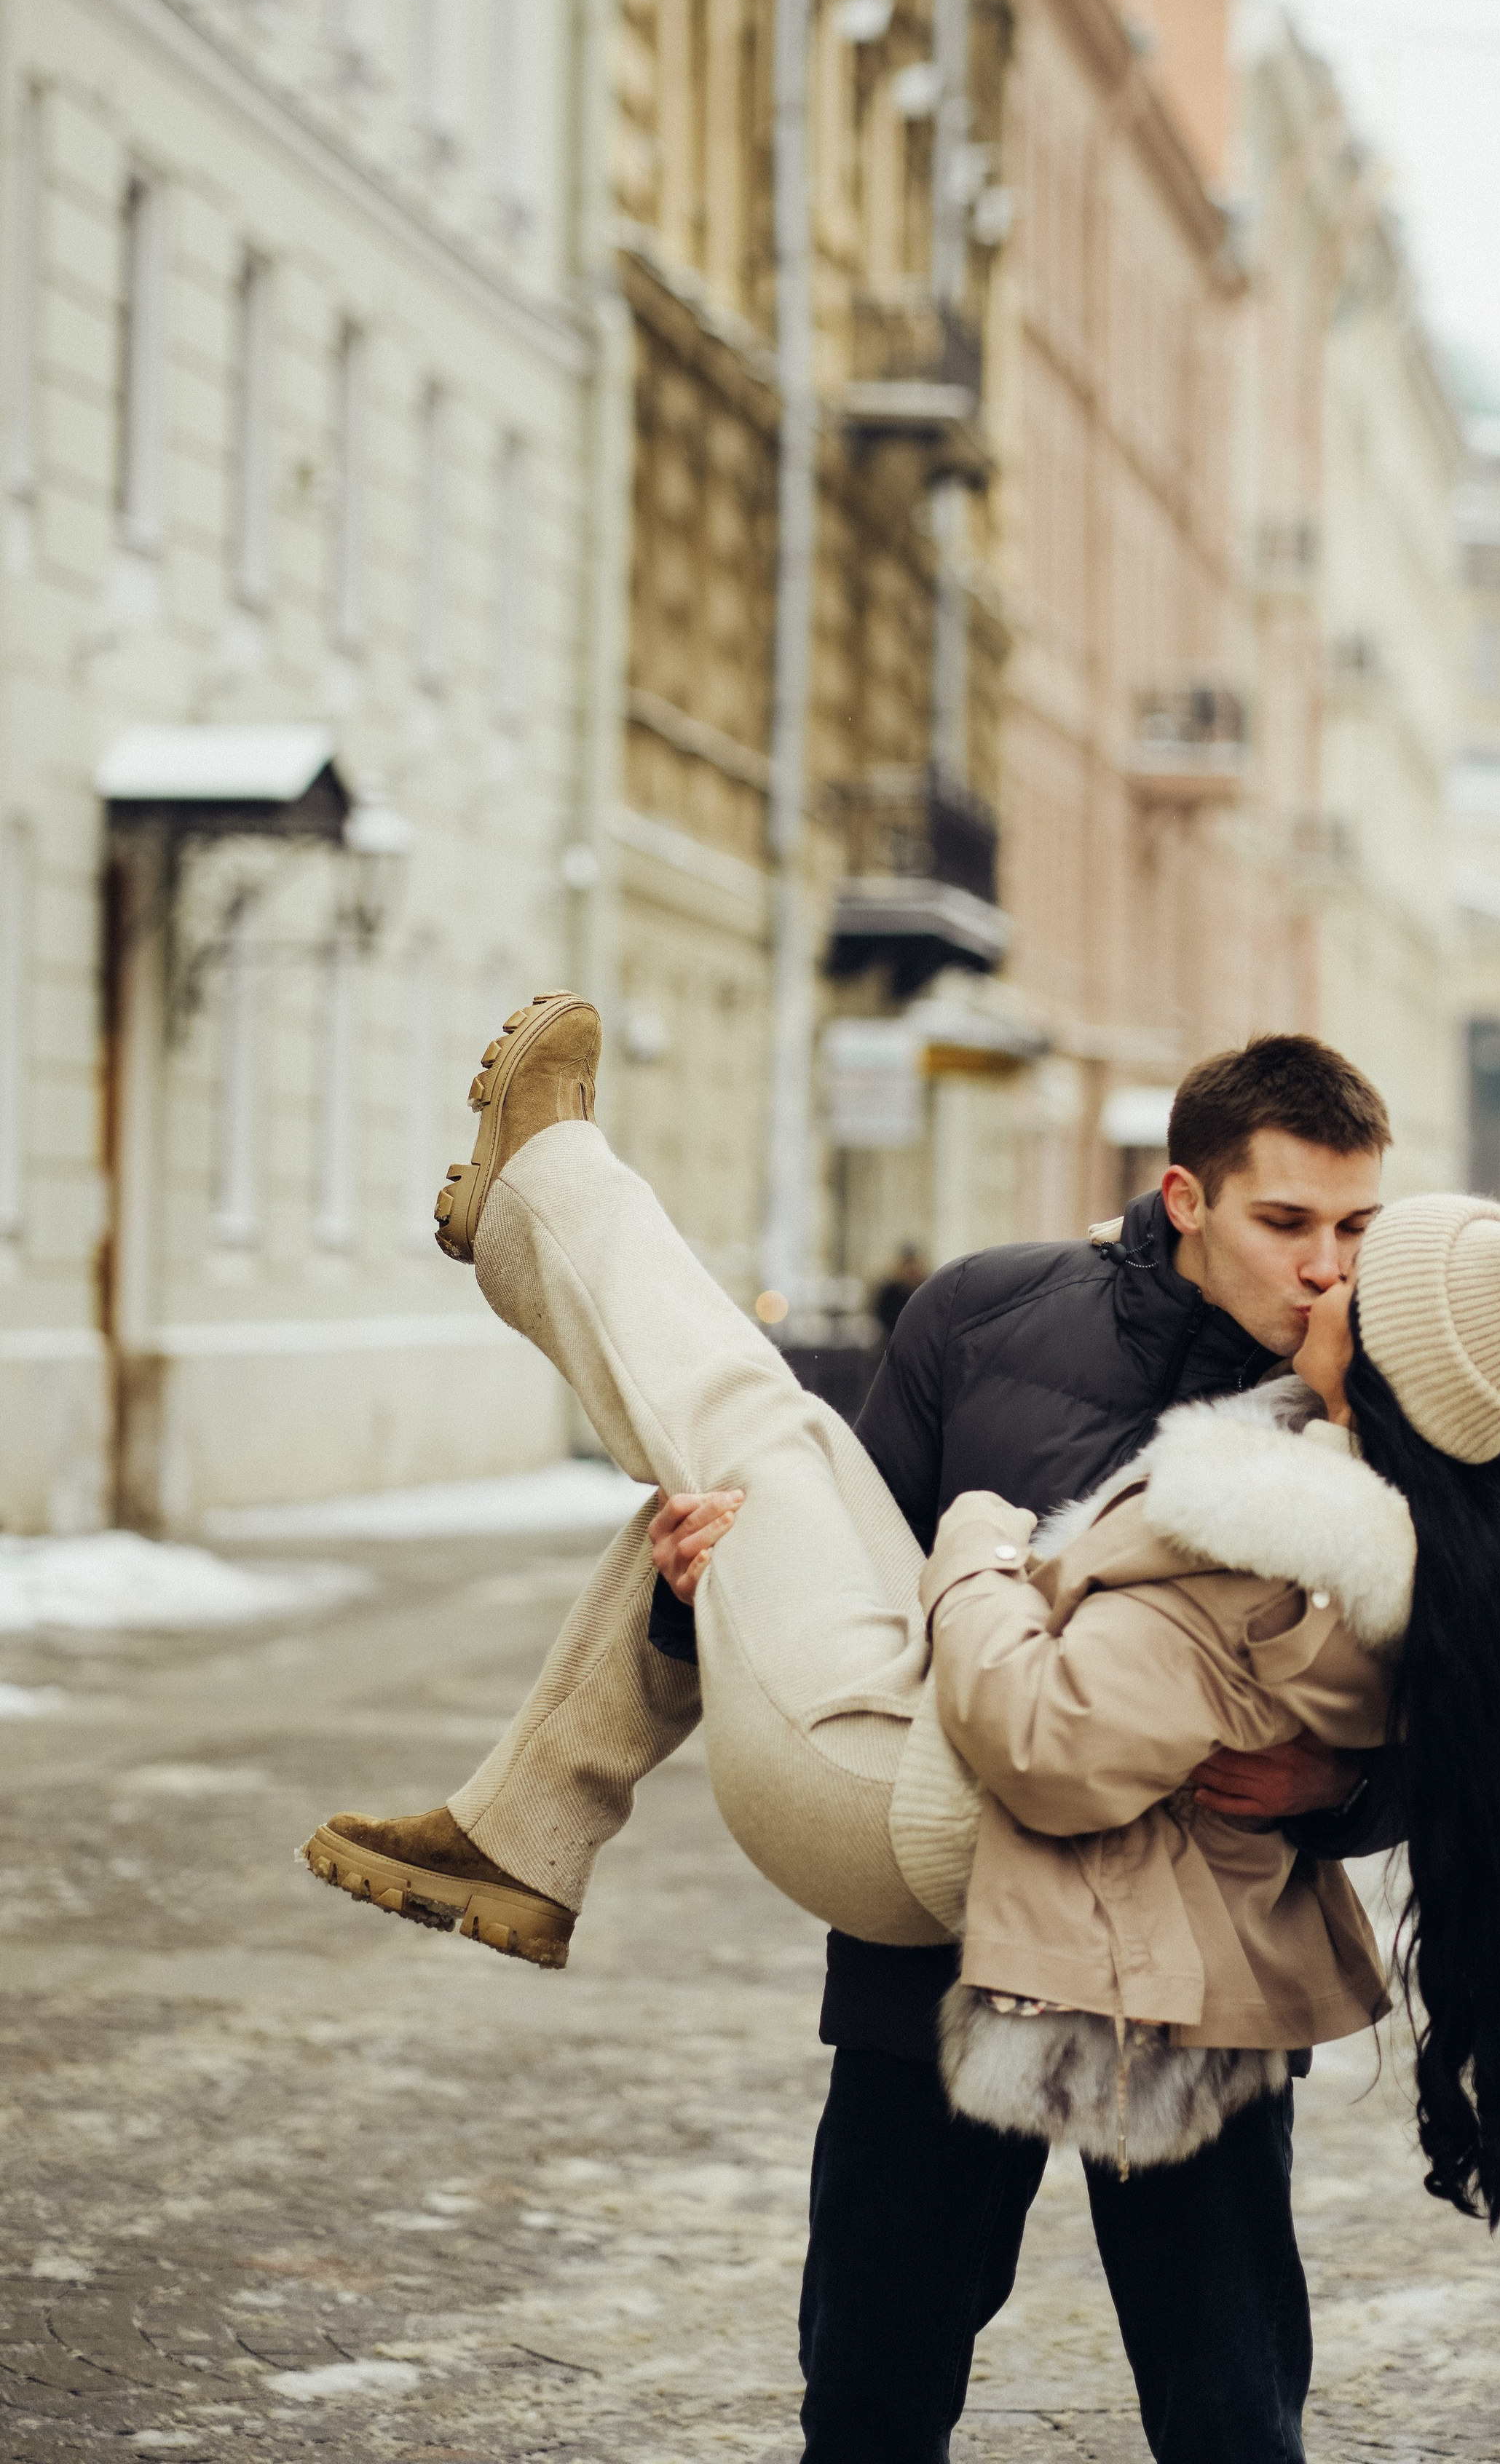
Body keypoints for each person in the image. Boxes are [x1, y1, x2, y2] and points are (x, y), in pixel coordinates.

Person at [304, 1004, 1408, 2460]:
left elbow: (1469, 1710)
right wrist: (710, 1595)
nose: (1327, 1265)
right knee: (872, 2400)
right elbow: (854, 1600)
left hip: (1196, 1970)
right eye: (1287, 1221)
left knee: (1227, 2418)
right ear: (1185, 1197)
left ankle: (546, 1207)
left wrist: (1333, 1786)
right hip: (936, 1975)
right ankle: (527, 1817)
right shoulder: (982, 1313)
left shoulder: (1375, 1392)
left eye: (1355, 1225)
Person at [872, 1242, 927, 1339]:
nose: (911, 1270)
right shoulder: (889, 1293)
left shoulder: (927, 1291)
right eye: (907, 1264)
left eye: (914, 1263)